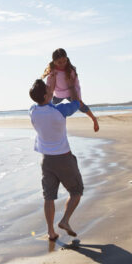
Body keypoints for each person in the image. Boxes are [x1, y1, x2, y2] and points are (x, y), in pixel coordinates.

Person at [29, 78, 85, 241]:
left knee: (49, 197)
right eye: (48, 88)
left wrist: (48, 87)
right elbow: (77, 102)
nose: (51, 88)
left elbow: (42, 101)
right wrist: (72, 86)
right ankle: (65, 220)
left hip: (46, 160)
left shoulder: (32, 110)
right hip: (63, 159)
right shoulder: (60, 111)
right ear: (46, 95)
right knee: (76, 191)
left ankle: (50, 232)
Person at [43, 48, 100, 133]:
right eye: (59, 62)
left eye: (64, 61)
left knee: (82, 106)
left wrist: (79, 98)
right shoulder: (52, 72)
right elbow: (49, 88)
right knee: (47, 107)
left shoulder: (70, 70)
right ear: (54, 61)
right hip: (57, 94)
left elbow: (76, 85)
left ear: (67, 59)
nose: (62, 64)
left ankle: (93, 118)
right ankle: (45, 123)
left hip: (70, 93)